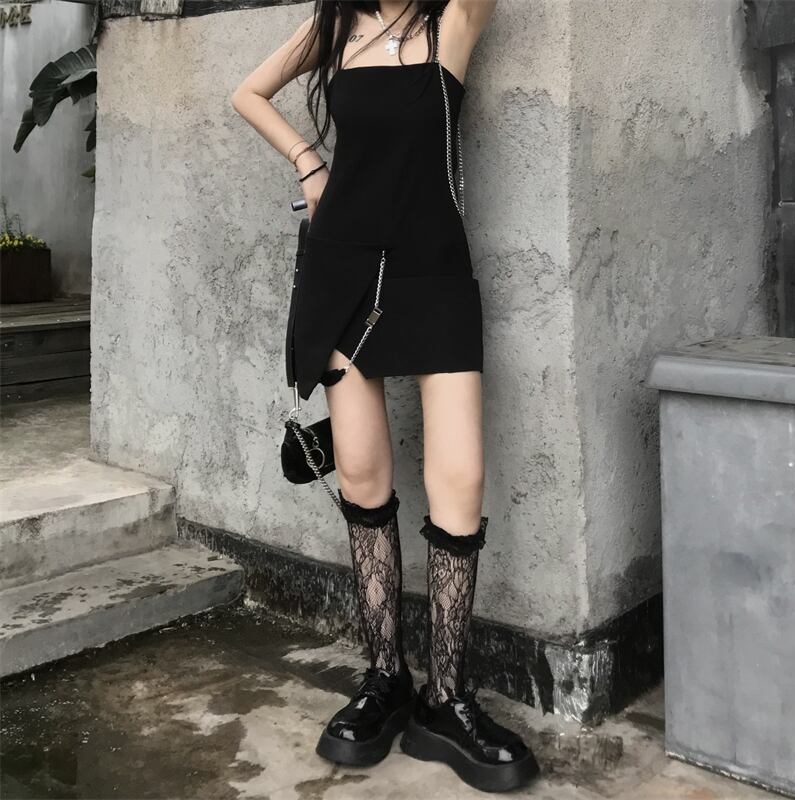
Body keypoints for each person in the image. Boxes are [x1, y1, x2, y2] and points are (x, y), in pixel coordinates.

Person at [232, 0, 539, 792]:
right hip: (345, 269)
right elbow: (248, 92)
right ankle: (385, 678)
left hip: (434, 272)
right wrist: (309, 162)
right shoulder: (334, 27)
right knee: (364, 477)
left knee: (460, 479)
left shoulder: (456, 21)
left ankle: (447, 698)